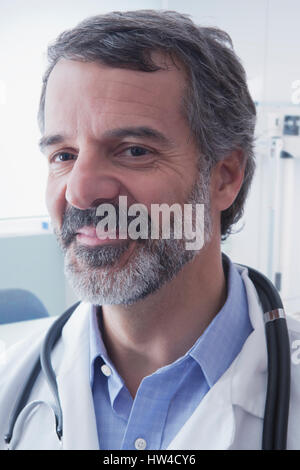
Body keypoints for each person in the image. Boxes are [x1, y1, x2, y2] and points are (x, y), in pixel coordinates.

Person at [1, 9, 300, 451]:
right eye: (63, 155)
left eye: (134, 150)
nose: (80, 193)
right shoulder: (12, 386)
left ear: (225, 176)